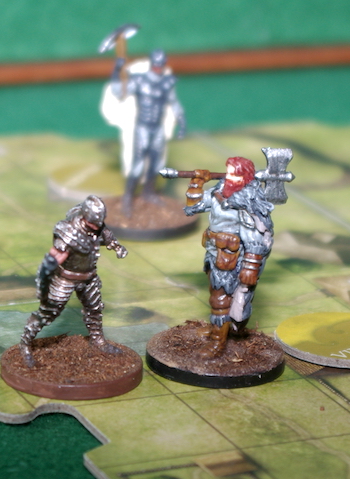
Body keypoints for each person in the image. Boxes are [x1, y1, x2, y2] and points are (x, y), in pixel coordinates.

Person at [20, 195, 128, 368]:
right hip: (65, 279)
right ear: (85, 217)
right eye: (94, 222)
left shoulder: (97, 227)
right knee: (49, 312)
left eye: (99, 222)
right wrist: (44, 281)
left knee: (95, 309)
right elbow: (53, 258)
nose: (98, 226)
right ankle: (25, 343)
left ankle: (97, 340)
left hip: (89, 277)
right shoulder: (69, 234)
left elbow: (106, 236)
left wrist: (117, 247)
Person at [184, 157, 274, 358]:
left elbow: (255, 236)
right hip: (215, 252)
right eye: (228, 172)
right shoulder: (220, 191)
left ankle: (218, 342)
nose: (229, 176)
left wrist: (250, 266)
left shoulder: (247, 201)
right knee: (216, 293)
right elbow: (194, 207)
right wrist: (197, 183)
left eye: (234, 174)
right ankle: (219, 328)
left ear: (245, 178)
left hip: (232, 258)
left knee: (221, 299)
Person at [110, 49, 186, 216]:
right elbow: (118, 91)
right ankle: (128, 197)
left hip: (157, 128)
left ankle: (149, 193)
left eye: (161, 64)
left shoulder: (166, 83)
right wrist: (116, 70)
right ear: (152, 63)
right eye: (156, 64)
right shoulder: (139, 80)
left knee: (156, 164)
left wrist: (182, 122)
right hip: (143, 127)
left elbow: (174, 102)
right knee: (137, 166)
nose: (158, 67)